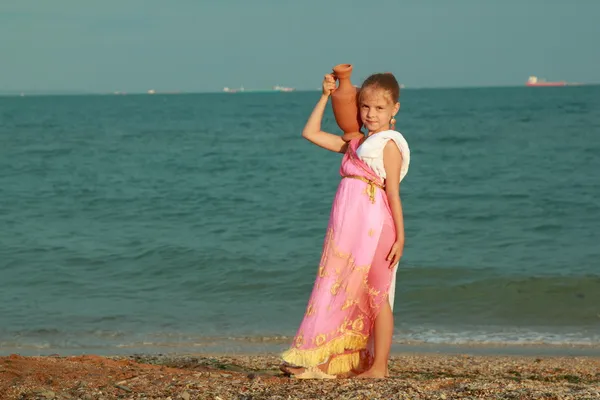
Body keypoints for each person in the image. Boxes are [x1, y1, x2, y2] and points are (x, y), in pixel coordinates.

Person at [279, 71, 410, 379]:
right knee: (345, 290)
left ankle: (380, 367)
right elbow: (310, 133)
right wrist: (326, 95)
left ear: (395, 109)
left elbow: (393, 193)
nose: (371, 114)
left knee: (376, 294)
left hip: (376, 228)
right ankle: (330, 360)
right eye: (365, 107)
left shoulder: (388, 144)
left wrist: (401, 238)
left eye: (379, 108)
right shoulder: (357, 142)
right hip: (349, 229)